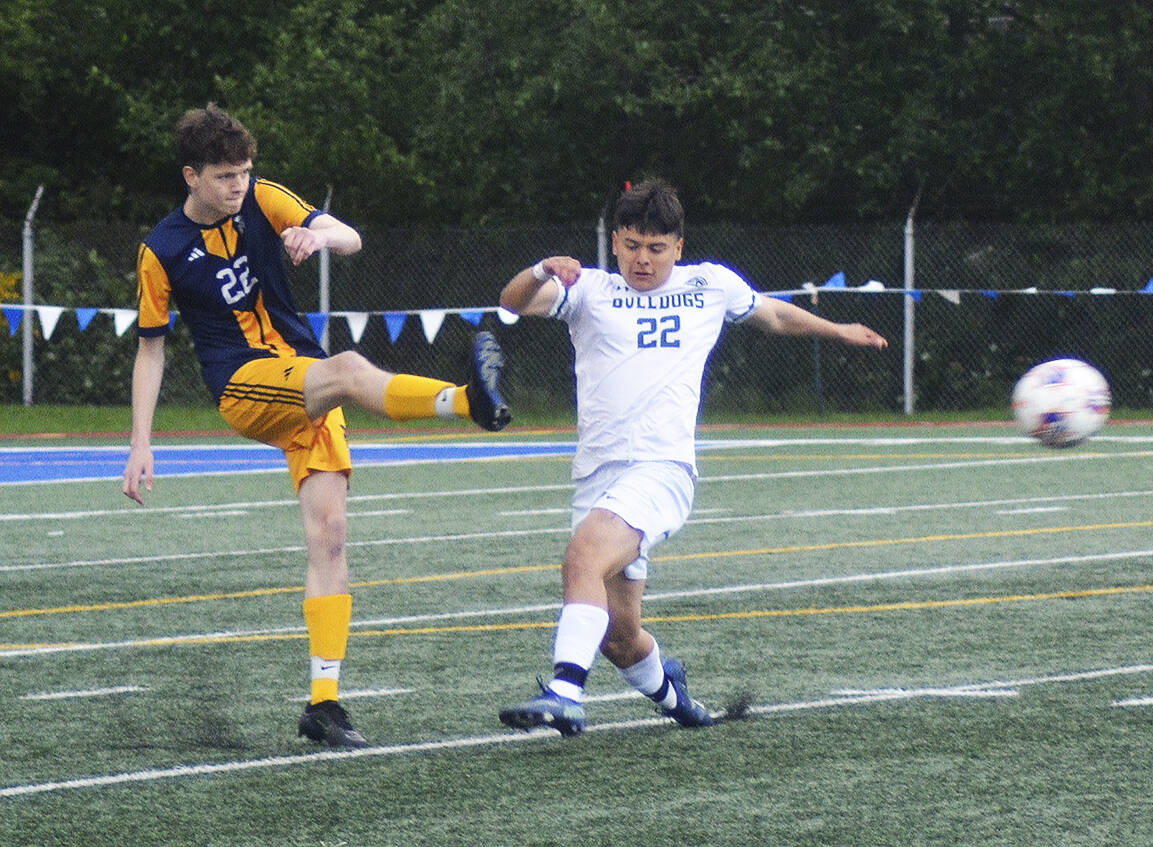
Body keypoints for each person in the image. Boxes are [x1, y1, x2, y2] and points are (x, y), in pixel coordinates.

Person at [121, 103, 510, 749]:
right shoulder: (160, 249)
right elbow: (150, 349)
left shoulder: (263, 198)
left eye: (244, 172)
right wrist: (141, 443)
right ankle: (469, 401)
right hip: (244, 385)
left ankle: (323, 704)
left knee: (329, 538)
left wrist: (318, 237)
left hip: (305, 383)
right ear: (191, 176)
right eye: (224, 176)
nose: (238, 185)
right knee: (350, 368)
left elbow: (349, 236)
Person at [496, 178, 888, 736]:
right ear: (616, 243)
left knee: (583, 555)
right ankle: (673, 696)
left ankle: (565, 692)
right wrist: (541, 270)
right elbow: (511, 303)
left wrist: (839, 330)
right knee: (619, 636)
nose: (643, 259)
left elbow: (774, 316)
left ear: (678, 247)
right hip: (597, 473)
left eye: (657, 248)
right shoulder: (590, 290)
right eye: (632, 245)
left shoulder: (710, 284)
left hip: (662, 469)